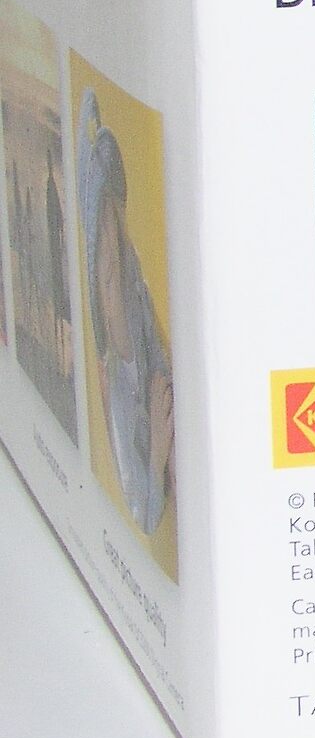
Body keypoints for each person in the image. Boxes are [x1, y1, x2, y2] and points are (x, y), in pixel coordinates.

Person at [77, 90, 173, 537]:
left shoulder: (145, 313)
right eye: (108, 275)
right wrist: (157, 447)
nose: (117, 273)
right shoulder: (115, 386)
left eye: (120, 253)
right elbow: (144, 514)